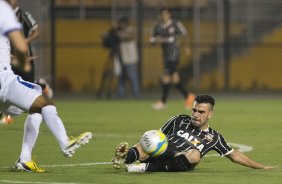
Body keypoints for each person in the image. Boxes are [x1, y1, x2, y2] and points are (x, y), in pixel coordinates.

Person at [0, 0, 93, 173]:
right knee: (45, 103)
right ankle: (65, 142)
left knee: (36, 109)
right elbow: (21, 46)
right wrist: (21, 58)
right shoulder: (3, 11)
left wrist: (13, 58)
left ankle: (25, 160)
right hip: (3, 80)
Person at [112, 94, 277, 172]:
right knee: (151, 138)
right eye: (194, 110)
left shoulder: (215, 137)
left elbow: (235, 156)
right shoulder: (179, 119)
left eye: (201, 112)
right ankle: (124, 157)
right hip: (162, 151)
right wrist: (135, 148)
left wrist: (261, 166)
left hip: (181, 160)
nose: (196, 115)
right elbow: (154, 136)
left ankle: (144, 168)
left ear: (210, 114)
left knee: (195, 154)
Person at [150, 7, 195, 110]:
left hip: (174, 55)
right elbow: (152, 39)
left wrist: (187, 46)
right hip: (166, 55)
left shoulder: (175, 24)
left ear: (169, 14)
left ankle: (163, 102)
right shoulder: (158, 26)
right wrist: (157, 39)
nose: (164, 16)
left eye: (166, 14)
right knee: (175, 80)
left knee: (166, 77)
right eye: (162, 14)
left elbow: (185, 34)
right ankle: (188, 96)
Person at [116, 16, 141, 98]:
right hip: (122, 58)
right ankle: (121, 93)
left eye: (120, 23)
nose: (119, 24)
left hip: (130, 58)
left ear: (124, 23)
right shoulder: (118, 31)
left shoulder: (130, 29)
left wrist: (120, 36)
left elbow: (130, 36)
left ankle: (136, 93)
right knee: (121, 77)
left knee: (133, 77)